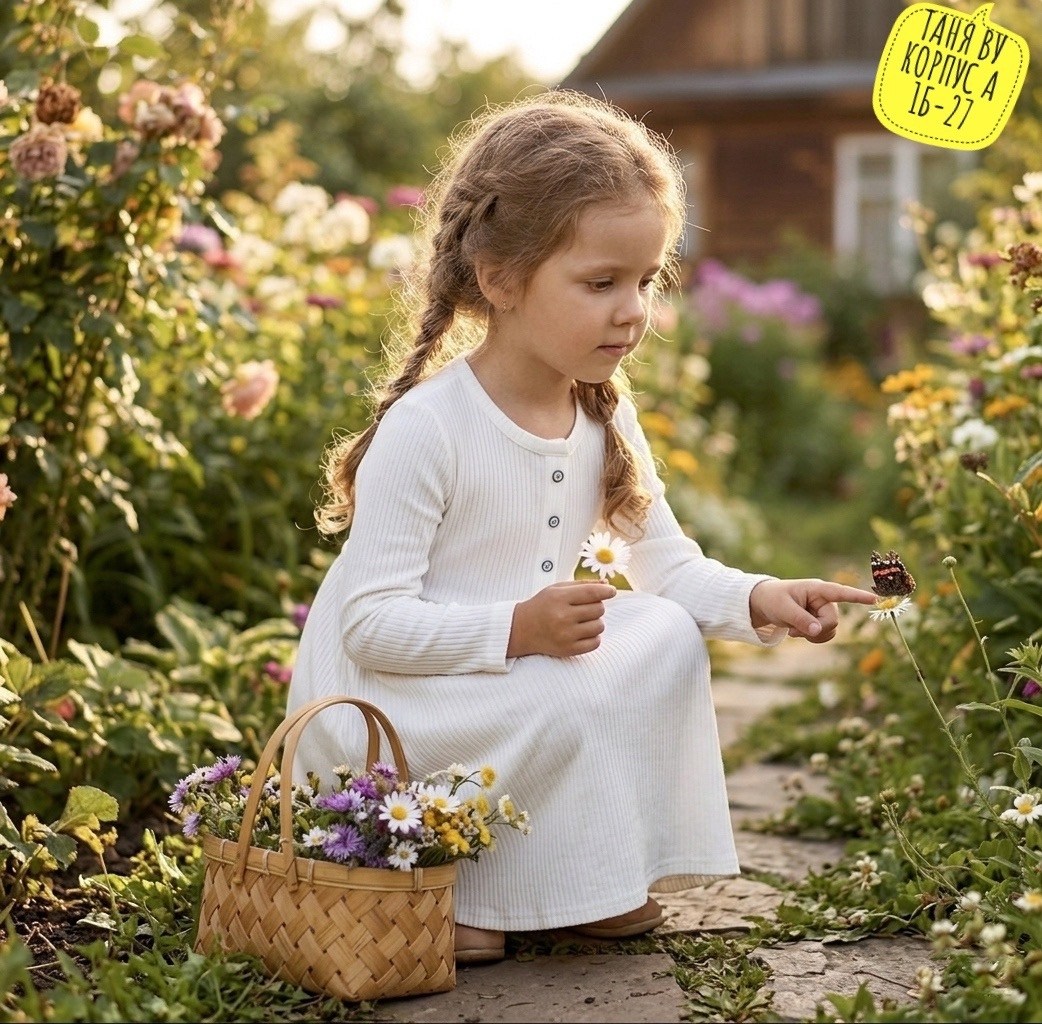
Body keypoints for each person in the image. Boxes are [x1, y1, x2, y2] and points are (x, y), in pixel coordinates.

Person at [286, 89, 877, 965]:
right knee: (564, 688)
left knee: (664, 635)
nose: (632, 309)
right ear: (500, 278)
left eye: (646, 280)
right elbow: (368, 628)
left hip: (507, 682)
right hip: (398, 705)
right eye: (601, 283)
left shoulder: (600, 410)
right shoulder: (431, 428)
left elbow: (666, 563)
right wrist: (517, 629)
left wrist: (761, 596)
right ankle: (462, 887)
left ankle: (588, 882)